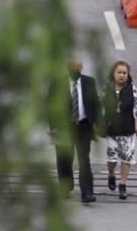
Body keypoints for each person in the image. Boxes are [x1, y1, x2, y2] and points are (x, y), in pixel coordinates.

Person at [49, 58, 101, 203]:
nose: (76, 72)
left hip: (83, 126)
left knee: (84, 160)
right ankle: (65, 187)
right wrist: (53, 127)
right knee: (64, 159)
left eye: (78, 69)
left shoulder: (89, 82)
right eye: (73, 70)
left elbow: (95, 104)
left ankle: (87, 192)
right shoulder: (57, 83)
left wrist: (97, 122)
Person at [103, 61, 137, 200]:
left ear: (128, 75)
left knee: (126, 158)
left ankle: (123, 184)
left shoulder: (132, 89)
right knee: (112, 158)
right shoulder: (107, 87)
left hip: (127, 130)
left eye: (124, 73)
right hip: (111, 129)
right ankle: (111, 174)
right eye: (119, 72)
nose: (121, 75)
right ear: (114, 74)